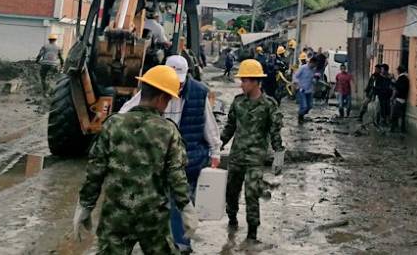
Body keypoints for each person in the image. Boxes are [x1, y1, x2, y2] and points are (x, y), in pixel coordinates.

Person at [73, 65, 198, 253]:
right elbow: (176, 176)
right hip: (153, 218)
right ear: (162, 98)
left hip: (115, 217)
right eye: (168, 100)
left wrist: (85, 205)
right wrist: (186, 207)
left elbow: (95, 171)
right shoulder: (167, 131)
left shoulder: (113, 125)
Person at [119, 55, 221, 253]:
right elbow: (125, 113)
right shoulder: (153, 91)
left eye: (179, 83)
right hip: (157, 161)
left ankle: (181, 246)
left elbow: (210, 127)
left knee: (180, 203)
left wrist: (215, 152)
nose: (176, 88)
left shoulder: (199, 93)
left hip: (188, 160)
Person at [221, 59, 284, 241]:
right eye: (242, 80)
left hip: (255, 159)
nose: (242, 84)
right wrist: (219, 144)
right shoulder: (238, 102)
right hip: (236, 156)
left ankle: (252, 233)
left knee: (252, 194)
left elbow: (275, 133)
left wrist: (278, 158)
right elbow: (230, 127)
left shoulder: (269, 105)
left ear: (256, 81)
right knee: (231, 192)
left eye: (245, 81)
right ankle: (232, 219)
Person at [293, 55, 315, 123]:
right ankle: (300, 117)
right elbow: (295, 76)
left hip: (309, 90)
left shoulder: (313, 70)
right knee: (304, 106)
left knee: (310, 106)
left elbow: (313, 80)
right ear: (311, 62)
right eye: (313, 65)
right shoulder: (303, 68)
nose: (314, 66)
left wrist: (316, 79)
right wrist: (297, 84)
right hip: (302, 90)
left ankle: (301, 114)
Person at [391, 65, 410, 133]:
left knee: (394, 115)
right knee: (402, 116)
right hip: (404, 99)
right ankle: (402, 129)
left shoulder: (401, 78)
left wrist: (394, 82)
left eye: (397, 71)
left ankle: (393, 129)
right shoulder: (406, 78)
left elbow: (398, 88)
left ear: (399, 71)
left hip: (399, 99)